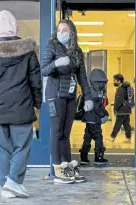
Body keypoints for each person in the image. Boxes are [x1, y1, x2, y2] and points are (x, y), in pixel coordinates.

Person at [0, 10, 42, 198]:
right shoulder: (27, 52)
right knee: (22, 146)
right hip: (21, 108)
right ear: (15, 28)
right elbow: (35, 82)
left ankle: (7, 184)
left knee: (0, 149)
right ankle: (13, 182)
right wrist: (37, 103)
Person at [41, 19, 93, 184]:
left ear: (72, 33)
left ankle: (68, 167)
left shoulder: (77, 51)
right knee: (56, 132)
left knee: (65, 134)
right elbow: (43, 70)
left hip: (70, 96)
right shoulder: (52, 46)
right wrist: (56, 63)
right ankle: (57, 170)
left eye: (65, 30)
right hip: (54, 96)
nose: (62, 33)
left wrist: (88, 96)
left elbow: (82, 77)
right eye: (59, 29)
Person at [79, 68, 109, 166]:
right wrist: (104, 114)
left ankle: (84, 157)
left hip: (89, 119)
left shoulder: (91, 90)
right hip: (95, 120)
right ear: (96, 82)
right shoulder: (94, 92)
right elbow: (97, 107)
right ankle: (98, 157)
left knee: (87, 138)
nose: (103, 85)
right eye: (101, 82)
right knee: (98, 138)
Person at [107, 74, 132, 143]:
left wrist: (115, 108)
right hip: (127, 109)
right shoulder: (126, 87)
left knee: (118, 123)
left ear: (119, 81)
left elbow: (119, 100)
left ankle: (112, 137)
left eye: (114, 80)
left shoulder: (120, 89)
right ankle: (128, 138)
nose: (113, 82)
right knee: (126, 124)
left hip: (121, 109)